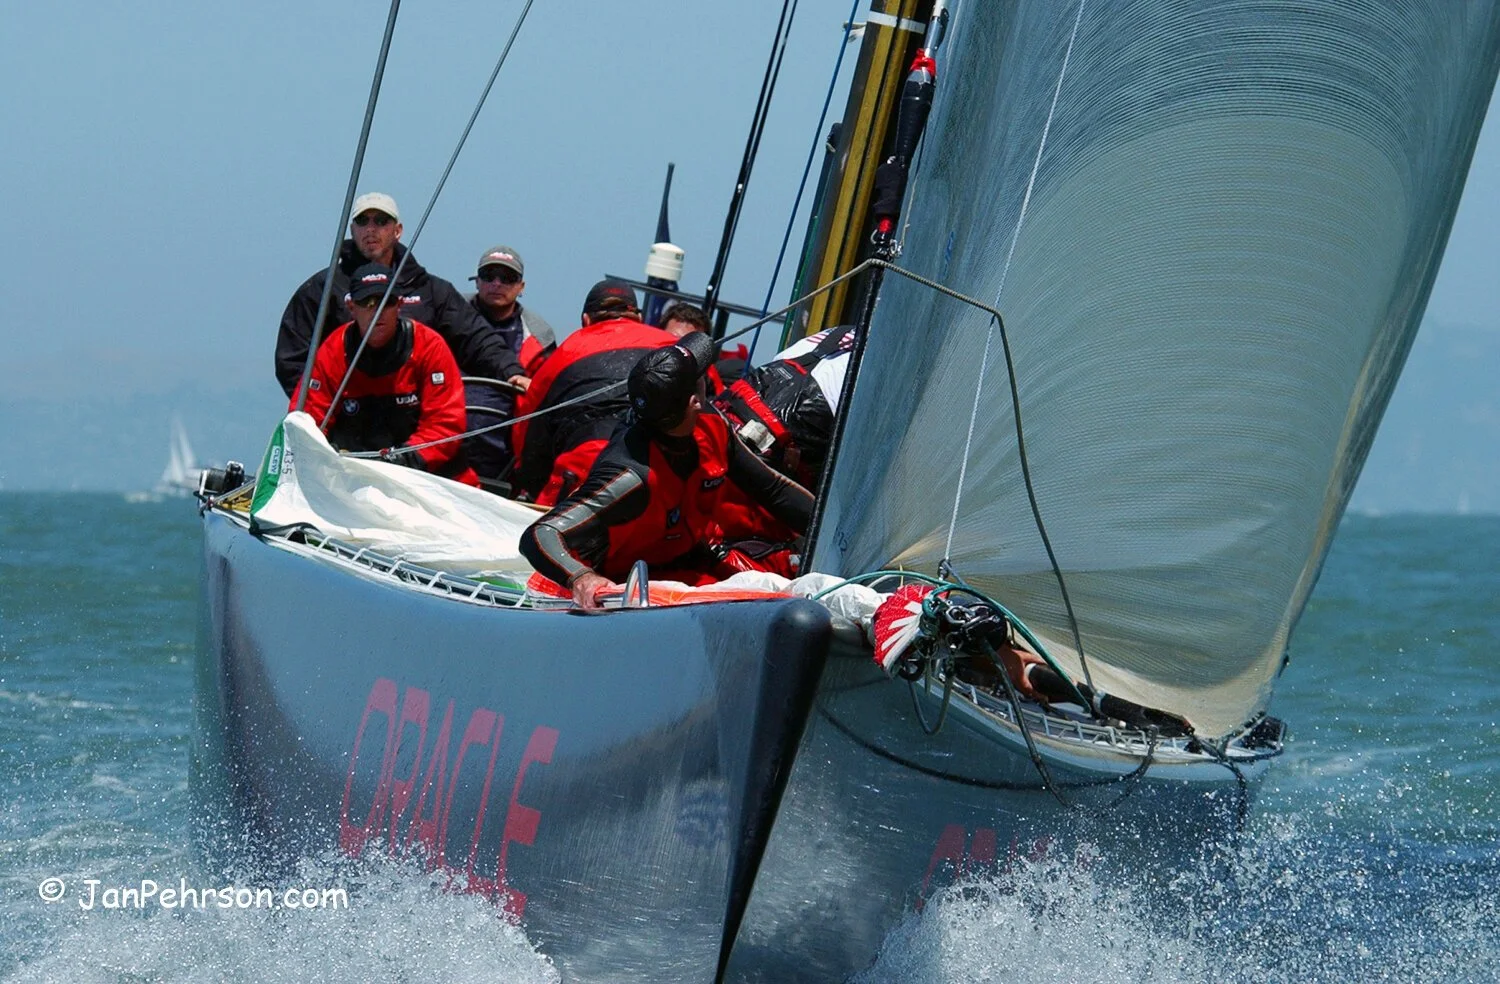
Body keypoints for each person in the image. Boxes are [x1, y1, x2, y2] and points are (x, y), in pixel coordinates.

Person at [519, 334, 814, 609]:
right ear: (693, 401)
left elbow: (772, 490)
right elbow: (540, 533)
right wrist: (582, 579)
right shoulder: (630, 476)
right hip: (627, 582)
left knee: (783, 577)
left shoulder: (712, 426)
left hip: (690, 560)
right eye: (699, 378)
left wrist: (831, 532)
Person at [274, 193, 523, 482]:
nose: (371, 229)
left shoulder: (431, 299)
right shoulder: (322, 293)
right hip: (347, 441)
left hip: (419, 443)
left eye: (381, 221)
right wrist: (329, 432)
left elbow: (475, 338)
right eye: (363, 222)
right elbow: (295, 366)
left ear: (397, 230)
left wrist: (511, 371)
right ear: (350, 307)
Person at [291, 263, 478, 486]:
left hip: (429, 479)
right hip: (351, 480)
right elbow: (305, 419)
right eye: (367, 303)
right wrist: (322, 452)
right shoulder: (332, 351)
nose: (377, 311)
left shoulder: (430, 347)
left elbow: (446, 424)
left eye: (386, 302)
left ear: (399, 304)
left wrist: (404, 459)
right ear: (351, 307)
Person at [511, 279, 676, 505]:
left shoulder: (565, 353)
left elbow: (528, 439)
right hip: (660, 487)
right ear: (637, 317)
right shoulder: (674, 348)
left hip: (577, 484)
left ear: (586, 320)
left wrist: (530, 486)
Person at [463, 245, 558, 483]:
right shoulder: (449, 315)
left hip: (503, 459)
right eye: (489, 276)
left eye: (507, 278)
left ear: (521, 287)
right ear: (477, 281)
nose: (496, 283)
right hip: (441, 443)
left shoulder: (539, 336)